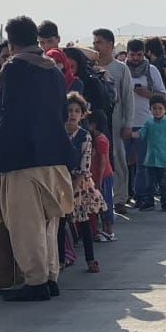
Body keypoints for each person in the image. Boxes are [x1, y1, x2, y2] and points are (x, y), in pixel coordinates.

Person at [0, 16, 75, 302]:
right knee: (49, 222)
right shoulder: (54, 70)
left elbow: (9, 118)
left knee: (25, 225)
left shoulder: (13, 70)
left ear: (11, 43)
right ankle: (50, 277)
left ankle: (35, 282)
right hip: (55, 156)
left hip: (22, 159)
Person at [122, 38, 166, 209]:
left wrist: (146, 93)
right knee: (124, 163)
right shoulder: (122, 69)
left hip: (145, 123)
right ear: (127, 54)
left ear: (144, 54)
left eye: (139, 55)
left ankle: (143, 196)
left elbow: (162, 96)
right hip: (125, 122)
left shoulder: (152, 70)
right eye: (132, 55)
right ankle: (125, 194)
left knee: (143, 164)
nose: (135, 58)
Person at [63, 92, 104, 272]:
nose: (72, 114)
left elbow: (84, 166)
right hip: (60, 181)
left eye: (76, 111)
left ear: (82, 114)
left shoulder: (85, 136)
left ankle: (90, 259)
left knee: (83, 221)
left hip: (79, 184)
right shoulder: (58, 132)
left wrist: (73, 187)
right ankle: (60, 259)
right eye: (69, 110)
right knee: (60, 223)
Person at [90, 30, 135, 184]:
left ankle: (120, 197)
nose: (96, 46)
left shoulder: (121, 68)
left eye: (99, 42)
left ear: (110, 45)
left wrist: (128, 124)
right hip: (96, 120)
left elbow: (128, 97)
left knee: (117, 156)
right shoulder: (90, 69)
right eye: (94, 42)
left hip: (116, 120)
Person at [139, 95, 166, 211]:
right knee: (150, 183)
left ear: (165, 110)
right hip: (151, 159)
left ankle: (165, 203)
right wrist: (132, 134)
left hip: (164, 158)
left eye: (160, 108)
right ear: (150, 109)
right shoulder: (149, 123)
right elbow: (141, 133)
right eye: (154, 108)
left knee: (163, 183)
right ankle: (149, 202)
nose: (157, 111)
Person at [86, 111, 116, 241]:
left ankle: (108, 229)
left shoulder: (101, 140)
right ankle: (101, 230)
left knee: (106, 202)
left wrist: (99, 180)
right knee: (97, 204)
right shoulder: (94, 139)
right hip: (96, 177)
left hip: (103, 177)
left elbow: (103, 161)